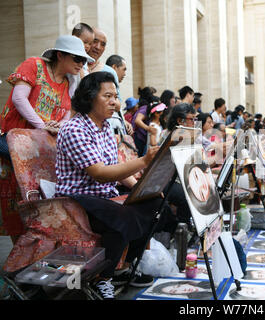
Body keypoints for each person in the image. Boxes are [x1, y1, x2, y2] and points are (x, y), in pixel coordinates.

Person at [56, 71, 165, 299]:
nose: (114, 102)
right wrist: (144, 161)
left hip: (104, 196)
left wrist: (140, 188)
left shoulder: (105, 127)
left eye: (115, 96)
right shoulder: (74, 129)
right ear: (89, 97)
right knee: (121, 219)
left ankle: (125, 267)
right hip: (77, 200)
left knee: (155, 203)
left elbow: (115, 167)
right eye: (107, 96)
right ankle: (102, 279)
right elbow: (100, 173)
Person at [0, 35, 94, 241]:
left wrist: (56, 126)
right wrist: (42, 126)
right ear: (60, 55)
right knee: (15, 197)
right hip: (11, 141)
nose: (81, 64)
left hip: (39, 147)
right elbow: (18, 98)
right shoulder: (34, 65)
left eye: (84, 60)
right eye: (77, 59)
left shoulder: (70, 82)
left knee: (33, 197)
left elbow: (64, 116)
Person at [132, 87, 159, 156]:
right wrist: (148, 128)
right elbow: (137, 120)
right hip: (139, 138)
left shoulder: (143, 107)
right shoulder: (145, 108)